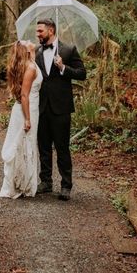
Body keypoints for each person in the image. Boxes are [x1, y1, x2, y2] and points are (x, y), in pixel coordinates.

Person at [35, 18, 86, 201]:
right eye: (37, 31)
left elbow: (82, 74)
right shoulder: (37, 51)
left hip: (61, 108)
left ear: (51, 30)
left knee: (62, 148)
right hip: (41, 107)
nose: (38, 34)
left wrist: (63, 67)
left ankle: (66, 185)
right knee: (44, 147)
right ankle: (46, 182)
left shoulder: (68, 50)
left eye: (40, 31)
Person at [0, 40, 43, 199]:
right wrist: (28, 119)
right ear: (25, 50)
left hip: (29, 108)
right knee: (24, 144)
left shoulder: (30, 63)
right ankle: (22, 184)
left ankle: (23, 182)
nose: (30, 41)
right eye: (27, 42)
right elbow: (24, 95)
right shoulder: (30, 68)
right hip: (27, 110)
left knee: (26, 144)